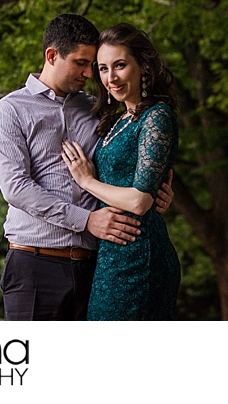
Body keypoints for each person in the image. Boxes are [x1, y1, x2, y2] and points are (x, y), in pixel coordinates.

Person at [0, 14, 173, 320]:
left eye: (93, 65)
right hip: (35, 265)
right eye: (81, 63)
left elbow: (127, 160)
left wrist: (160, 191)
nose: (89, 73)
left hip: (96, 267)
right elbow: (16, 189)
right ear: (52, 55)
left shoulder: (97, 109)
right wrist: (86, 220)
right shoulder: (11, 110)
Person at [61, 22, 181, 320]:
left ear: (143, 66)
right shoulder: (117, 120)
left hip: (139, 255)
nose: (110, 77)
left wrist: (87, 180)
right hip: (111, 255)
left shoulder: (157, 117)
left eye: (120, 65)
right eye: (102, 68)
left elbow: (140, 201)